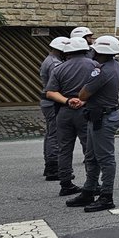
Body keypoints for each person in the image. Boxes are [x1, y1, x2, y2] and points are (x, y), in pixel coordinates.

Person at [64, 36, 119, 212]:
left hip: (103, 118)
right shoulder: (117, 67)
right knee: (91, 156)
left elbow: (82, 95)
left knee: (105, 158)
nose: (91, 51)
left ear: (99, 52)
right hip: (100, 116)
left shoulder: (101, 72)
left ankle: (106, 196)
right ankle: (89, 190)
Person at [45, 37, 97, 200]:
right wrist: (83, 100)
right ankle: (93, 184)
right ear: (85, 50)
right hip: (85, 111)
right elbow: (99, 88)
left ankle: (66, 184)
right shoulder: (94, 66)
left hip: (64, 112)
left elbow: (50, 92)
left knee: (64, 149)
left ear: (67, 52)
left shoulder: (59, 68)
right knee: (89, 148)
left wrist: (68, 101)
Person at [39, 37, 69, 181]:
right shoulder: (54, 64)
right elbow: (57, 84)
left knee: (51, 133)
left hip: (48, 102)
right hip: (52, 102)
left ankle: (50, 165)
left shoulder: (50, 60)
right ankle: (53, 168)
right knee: (55, 135)